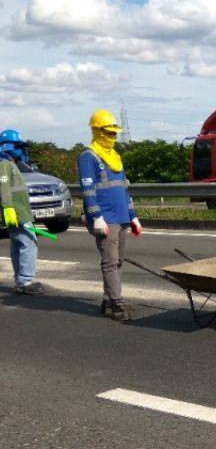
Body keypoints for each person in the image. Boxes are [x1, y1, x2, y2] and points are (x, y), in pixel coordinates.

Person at [77, 109, 142, 322]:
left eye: (115, 132)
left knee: (118, 261)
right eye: (109, 132)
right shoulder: (88, 156)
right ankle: (116, 303)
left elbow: (124, 188)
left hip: (121, 216)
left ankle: (108, 300)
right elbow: (88, 190)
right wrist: (96, 217)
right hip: (106, 218)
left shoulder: (114, 156)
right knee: (110, 262)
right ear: (96, 131)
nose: (113, 136)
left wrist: (132, 216)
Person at [0, 129, 44, 295]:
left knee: (19, 243)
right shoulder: (4, 164)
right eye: (18, 146)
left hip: (18, 212)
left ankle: (20, 280)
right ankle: (24, 281)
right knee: (27, 243)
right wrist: (9, 209)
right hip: (17, 212)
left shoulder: (9, 164)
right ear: (8, 146)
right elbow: (4, 188)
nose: (22, 150)